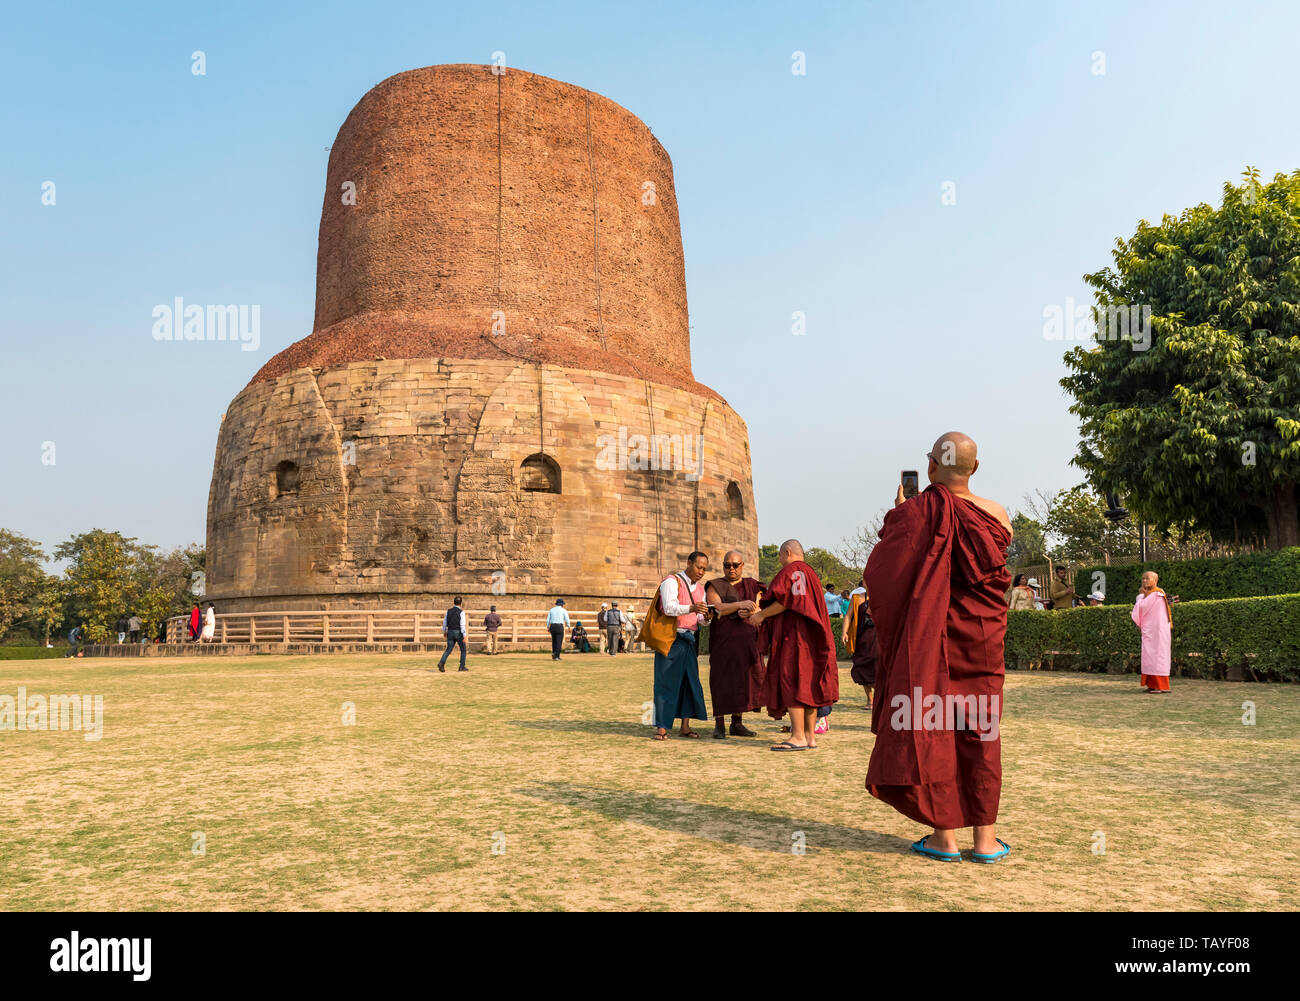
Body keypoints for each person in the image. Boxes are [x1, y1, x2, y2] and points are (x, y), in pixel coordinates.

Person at [864, 431, 1013, 864]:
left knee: (935, 730)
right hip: (982, 643)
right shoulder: (998, 515)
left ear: (929, 467)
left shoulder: (914, 513)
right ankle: (986, 841)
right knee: (983, 732)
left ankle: (944, 837)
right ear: (975, 468)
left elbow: (883, 580)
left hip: (930, 641)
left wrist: (901, 516)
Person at [747, 540, 838, 751]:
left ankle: (797, 736)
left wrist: (761, 615)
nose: (780, 561)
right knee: (810, 683)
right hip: (814, 638)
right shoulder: (812, 574)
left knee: (792, 681)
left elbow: (788, 601)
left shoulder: (793, 570)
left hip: (795, 638)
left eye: (780, 557)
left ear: (787, 553)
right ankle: (809, 736)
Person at [650, 552, 713, 740]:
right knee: (665, 682)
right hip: (672, 638)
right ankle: (662, 727)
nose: (701, 571)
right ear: (689, 563)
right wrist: (692, 608)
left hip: (689, 639)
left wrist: (706, 618)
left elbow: (699, 618)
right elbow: (669, 608)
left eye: (704, 568)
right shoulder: (671, 582)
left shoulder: (700, 589)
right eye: (698, 567)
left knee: (689, 683)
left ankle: (685, 726)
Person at [704, 549, 765, 739]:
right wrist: (740, 605)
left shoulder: (752, 585)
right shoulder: (715, 585)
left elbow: (760, 606)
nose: (731, 569)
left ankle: (737, 723)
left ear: (742, 566)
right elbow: (716, 608)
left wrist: (751, 612)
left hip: (747, 642)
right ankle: (719, 724)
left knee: (743, 681)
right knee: (722, 680)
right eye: (727, 565)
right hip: (724, 641)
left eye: (735, 565)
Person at [1131, 571, 1172, 693]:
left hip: (1157, 633)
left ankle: (1160, 686)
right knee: (1150, 658)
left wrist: (1140, 597)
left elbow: (1141, 607)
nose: (1144, 581)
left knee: (1157, 657)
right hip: (1151, 631)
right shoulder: (1151, 594)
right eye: (1143, 578)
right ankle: (1152, 685)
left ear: (1155, 581)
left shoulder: (1156, 595)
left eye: (1147, 578)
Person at [846, 578, 879, 708]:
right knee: (862, 666)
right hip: (862, 637)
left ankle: (879, 699)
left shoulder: (883, 597)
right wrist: (844, 632)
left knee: (878, 667)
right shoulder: (857, 598)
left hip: (878, 638)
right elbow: (848, 616)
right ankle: (869, 700)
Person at [438, 596, 469, 672]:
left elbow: (445, 622)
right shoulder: (461, 612)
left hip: (450, 631)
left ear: (453, 602)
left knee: (448, 649)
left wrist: (445, 631)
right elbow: (462, 625)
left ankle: (441, 663)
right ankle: (461, 666)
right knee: (463, 649)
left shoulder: (448, 611)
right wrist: (464, 635)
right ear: (461, 603)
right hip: (458, 632)